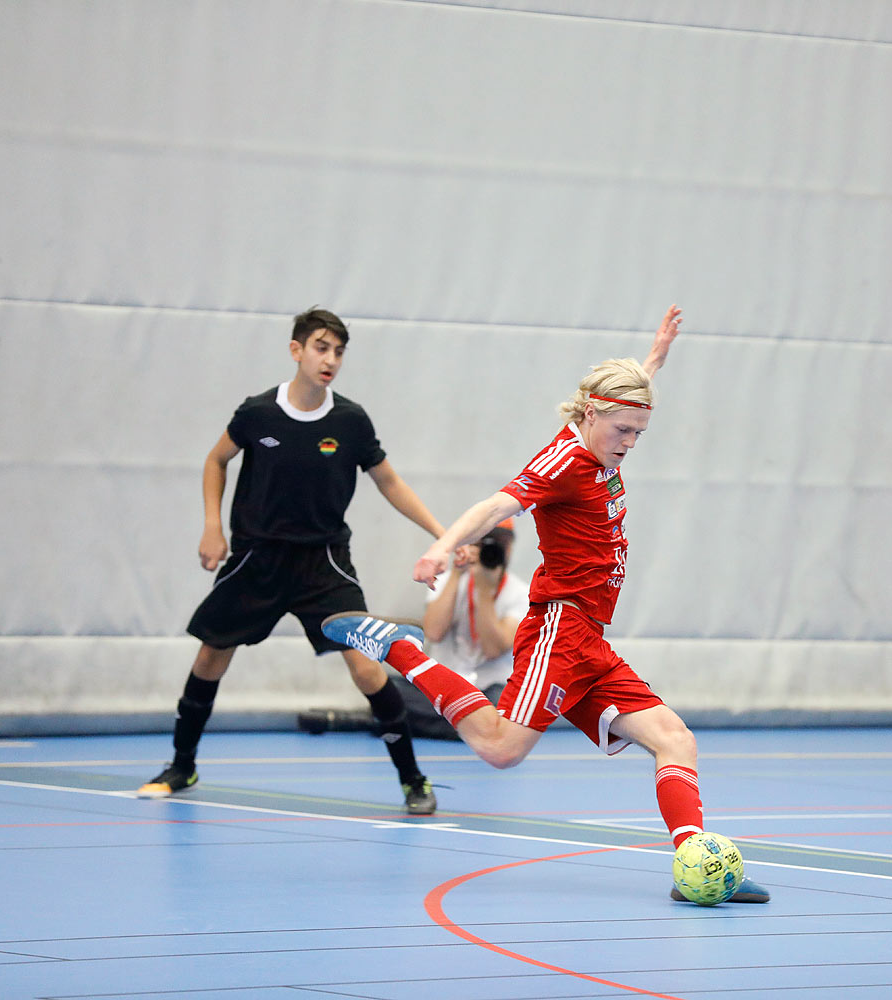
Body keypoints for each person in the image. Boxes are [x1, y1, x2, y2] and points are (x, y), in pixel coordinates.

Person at [322, 305, 769, 903]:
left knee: (675, 739)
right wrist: (443, 548)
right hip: (558, 628)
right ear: (591, 415)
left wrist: (654, 358)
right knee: (500, 748)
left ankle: (698, 867)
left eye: (640, 433)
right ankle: (400, 648)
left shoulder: (605, 429)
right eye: (623, 432)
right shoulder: (562, 463)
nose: (630, 444)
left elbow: (621, 396)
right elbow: (494, 507)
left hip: (590, 640)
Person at [138, 307, 443, 815]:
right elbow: (216, 460)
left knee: (366, 670)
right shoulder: (258, 413)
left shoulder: (350, 420)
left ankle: (413, 779)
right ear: (296, 349)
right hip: (256, 556)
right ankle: (182, 764)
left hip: (323, 563)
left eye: (339, 351)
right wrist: (212, 526)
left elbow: (388, 481)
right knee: (212, 655)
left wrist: (440, 533)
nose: (331, 360)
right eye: (321, 348)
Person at [405, 519, 529, 738]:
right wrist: (455, 574)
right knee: (394, 692)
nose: (492, 550)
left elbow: (492, 650)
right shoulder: (447, 581)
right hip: (446, 687)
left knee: (507, 706)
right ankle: (475, 729)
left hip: (490, 689)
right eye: (485, 543)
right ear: (473, 544)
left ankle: (451, 725)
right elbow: (433, 632)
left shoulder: (521, 593)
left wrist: (484, 591)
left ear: (509, 548)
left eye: (500, 544)